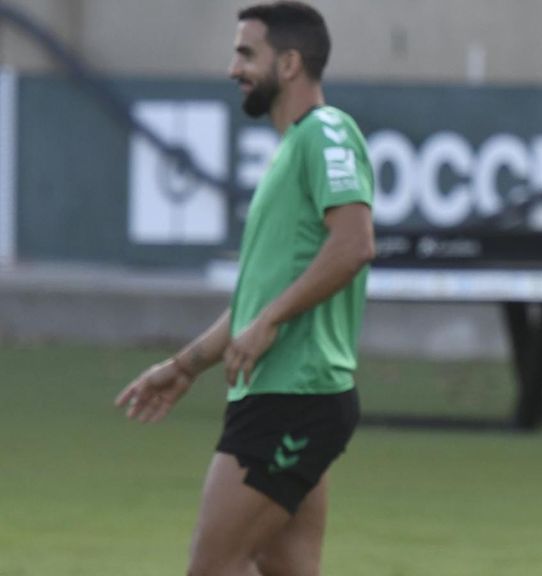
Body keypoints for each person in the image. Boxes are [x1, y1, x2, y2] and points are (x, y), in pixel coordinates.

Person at [114, 3, 375, 575]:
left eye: (245, 54)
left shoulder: (326, 132)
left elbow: (354, 244)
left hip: (294, 395)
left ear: (289, 62)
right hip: (286, 394)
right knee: (284, 565)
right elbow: (255, 308)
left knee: (213, 565)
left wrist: (273, 319)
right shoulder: (289, 154)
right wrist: (185, 365)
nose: (234, 68)